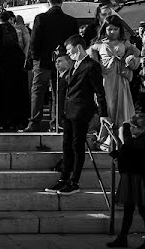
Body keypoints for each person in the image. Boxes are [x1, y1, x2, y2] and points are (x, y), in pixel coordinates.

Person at [45, 34, 111, 195]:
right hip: (69, 111)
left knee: (77, 145)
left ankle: (74, 181)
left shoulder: (91, 66)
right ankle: (63, 178)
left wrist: (103, 113)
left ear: (78, 47)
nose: (68, 53)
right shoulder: (74, 65)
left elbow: (99, 91)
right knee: (66, 145)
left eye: (69, 49)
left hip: (82, 110)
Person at [23, 0, 79, 132]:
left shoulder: (41, 18)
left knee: (38, 91)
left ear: (49, 2)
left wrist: (33, 58)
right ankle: (56, 122)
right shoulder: (71, 21)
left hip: (42, 61)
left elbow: (34, 41)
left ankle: (34, 122)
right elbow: (74, 42)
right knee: (59, 92)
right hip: (63, 60)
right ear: (62, 2)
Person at [106, 113, 145, 249]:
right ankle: (122, 237)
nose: (131, 129)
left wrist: (125, 125)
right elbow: (126, 152)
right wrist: (115, 153)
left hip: (138, 179)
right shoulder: (137, 139)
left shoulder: (144, 140)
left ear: (141, 129)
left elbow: (128, 145)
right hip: (130, 177)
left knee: (143, 209)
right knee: (128, 208)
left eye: (134, 127)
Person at [89, 15, 140, 147]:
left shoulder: (125, 42)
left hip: (121, 78)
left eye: (115, 29)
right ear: (104, 29)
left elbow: (136, 53)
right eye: (109, 29)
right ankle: (105, 136)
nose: (112, 32)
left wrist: (129, 61)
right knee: (108, 107)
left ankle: (121, 136)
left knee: (122, 107)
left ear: (119, 29)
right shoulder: (98, 44)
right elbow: (91, 59)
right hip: (106, 79)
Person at [0, 10, 27, 130]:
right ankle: (14, 120)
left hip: (2, 64)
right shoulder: (13, 30)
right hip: (16, 65)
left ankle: (2, 121)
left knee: (2, 94)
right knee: (14, 93)